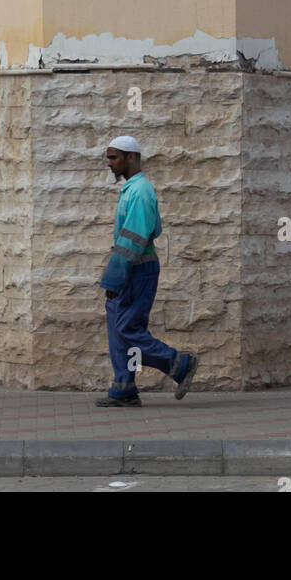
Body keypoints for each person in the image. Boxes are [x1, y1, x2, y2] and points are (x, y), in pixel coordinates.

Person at [94, 134, 199, 407]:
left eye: (114, 157)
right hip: (132, 269)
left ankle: (179, 364)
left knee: (128, 329)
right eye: (108, 157)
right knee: (119, 329)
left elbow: (132, 240)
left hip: (135, 270)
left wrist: (114, 278)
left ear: (131, 157)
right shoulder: (133, 189)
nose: (109, 163)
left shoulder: (140, 192)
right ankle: (123, 388)